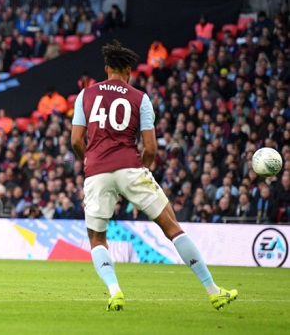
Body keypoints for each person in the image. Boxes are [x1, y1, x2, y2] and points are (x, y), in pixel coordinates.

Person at [70, 40, 238, 311]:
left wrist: (89, 161)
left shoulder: (85, 95)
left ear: (106, 69)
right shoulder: (140, 98)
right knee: (172, 228)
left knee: (97, 239)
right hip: (130, 167)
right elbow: (150, 147)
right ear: (128, 70)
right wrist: (144, 168)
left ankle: (115, 291)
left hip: (97, 171)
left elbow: (76, 140)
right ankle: (213, 291)